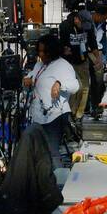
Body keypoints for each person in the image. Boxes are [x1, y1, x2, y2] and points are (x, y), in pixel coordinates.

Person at [23, 33, 78, 167]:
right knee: (39, 151)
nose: (41, 54)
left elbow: (75, 86)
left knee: (52, 151)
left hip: (55, 116)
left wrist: (59, 84)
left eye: (44, 51)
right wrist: (28, 80)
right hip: (38, 115)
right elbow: (33, 77)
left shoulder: (63, 66)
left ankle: (56, 180)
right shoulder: (39, 65)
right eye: (39, 51)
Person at [60, 10, 96, 120]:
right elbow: (61, 42)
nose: (83, 27)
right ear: (76, 19)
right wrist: (63, 49)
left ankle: (79, 114)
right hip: (69, 63)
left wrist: (97, 59)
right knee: (75, 88)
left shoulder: (88, 27)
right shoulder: (66, 27)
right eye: (82, 24)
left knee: (85, 88)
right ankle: (70, 111)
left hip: (83, 60)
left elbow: (93, 42)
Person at [87, 1, 107, 117]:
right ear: (98, 14)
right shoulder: (89, 24)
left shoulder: (102, 24)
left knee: (98, 81)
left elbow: (103, 41)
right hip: (91, 52)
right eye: (104, 17)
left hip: (99, 52)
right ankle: (91, 106)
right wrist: (98, 58)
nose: (105, 20)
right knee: (94, 81)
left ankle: (96, 104)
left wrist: (105, 57)